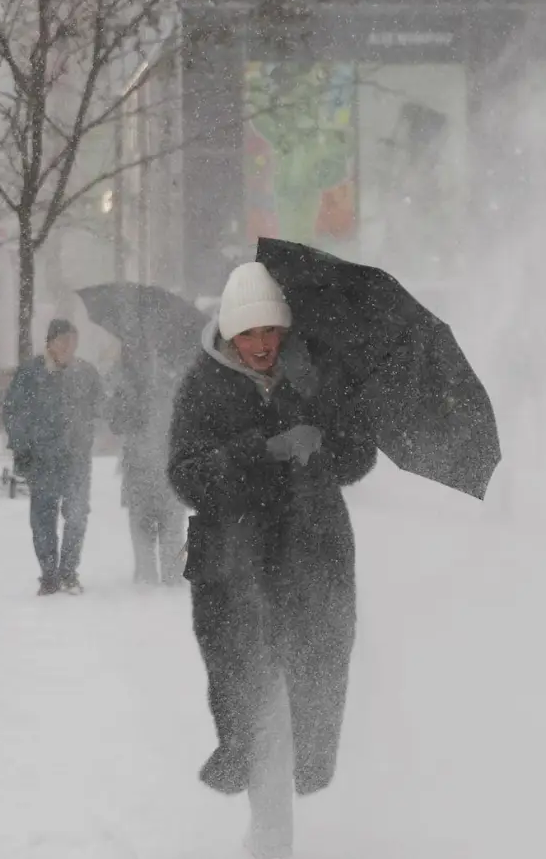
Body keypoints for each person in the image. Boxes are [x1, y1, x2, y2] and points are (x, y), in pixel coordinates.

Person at [166, 261, 376, 859]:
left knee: (303, 702)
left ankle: (272, 834)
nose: (261, 346)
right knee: (257, 709)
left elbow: (357, 461)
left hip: (313, 564)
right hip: (234, 575)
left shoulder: (315, 376)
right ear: (229, 334)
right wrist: (263, 452)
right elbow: (184, 475)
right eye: (248, 334)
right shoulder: (201, 387)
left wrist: (327, 434)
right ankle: (270, 840)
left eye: (270, 332)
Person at [2, 319, 103, 596]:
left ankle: (68, 572)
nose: (70, 347)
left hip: (76, 458)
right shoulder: (31, 374)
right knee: (43, 518)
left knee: (77, 515)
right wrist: (24, 447)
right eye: (64, 341)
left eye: (74, 341)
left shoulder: (85, 373)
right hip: (42, 459)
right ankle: (49, 574)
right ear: (50, 343)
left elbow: (101, 407)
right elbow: (13, 412)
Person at [108, 357, 187, 586]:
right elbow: (116, 423)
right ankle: (148, 585)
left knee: (170, 530)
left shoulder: (180, 379)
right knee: (145, 529)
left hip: (167, 465)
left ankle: (166, 582)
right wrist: (125, 397)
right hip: (140, 467)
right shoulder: (129, 378)